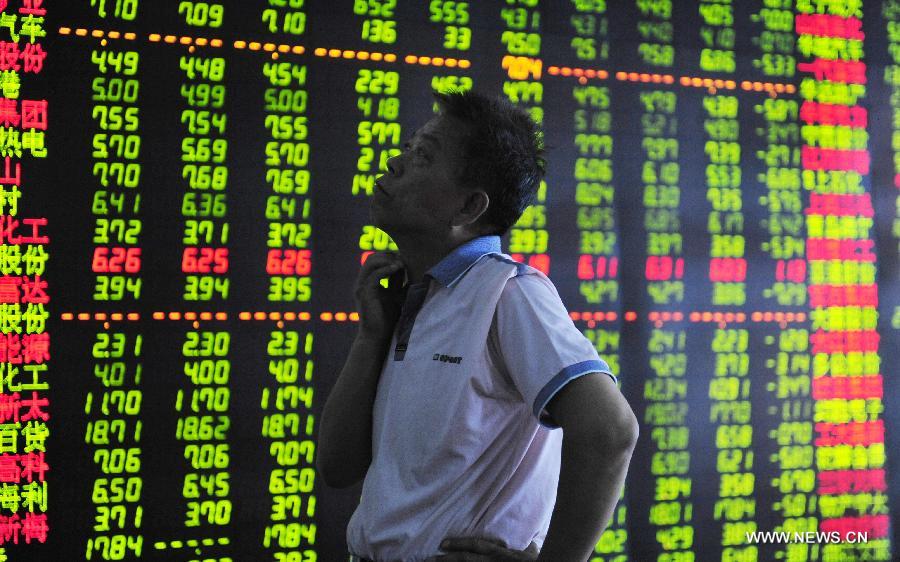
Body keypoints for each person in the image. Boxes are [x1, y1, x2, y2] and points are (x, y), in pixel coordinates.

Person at [318, 90, 639, 562]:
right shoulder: (410, 298)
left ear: (468, 208)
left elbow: (610, 431)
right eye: (408, 148)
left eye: (422, 156)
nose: (395, 162)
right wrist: (372, 337)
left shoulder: (509, 292)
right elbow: (337, 466)